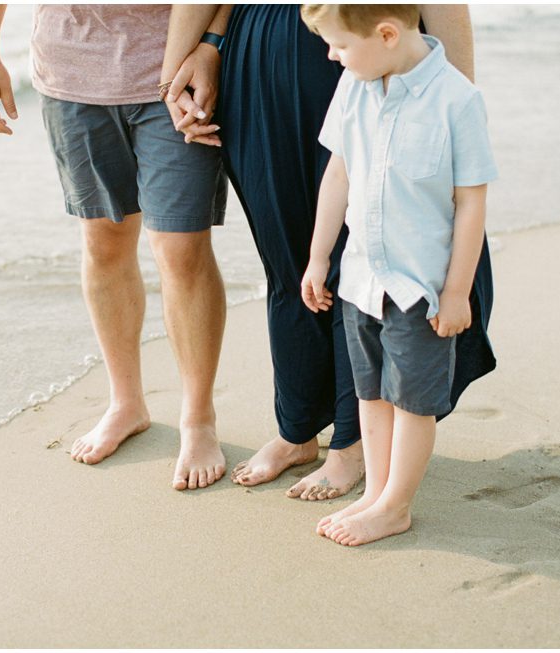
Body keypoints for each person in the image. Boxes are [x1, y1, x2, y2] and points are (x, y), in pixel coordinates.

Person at [162, 5, 495, 501]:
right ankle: (296, 428)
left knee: (365, 258)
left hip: (369, 42)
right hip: (261, 53)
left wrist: (450, 103)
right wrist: (189, 63)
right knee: (290, 263)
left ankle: (350, 444)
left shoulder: (429, 86)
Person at [0, 5, 229, 490]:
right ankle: (126, 402)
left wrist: (212, 43)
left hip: (175, 70)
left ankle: (198, 417)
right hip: (71, 77)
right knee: (104, 242)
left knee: (181, 247)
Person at [297, 4, 497, 545]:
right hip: (361, 278)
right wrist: (319, 258)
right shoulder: (355, 87)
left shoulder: (457, 100)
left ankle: (396, 506)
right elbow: (337, 175)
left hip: (419, 288)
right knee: (371, 392)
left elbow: (471, 202)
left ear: (386, 34)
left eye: (338, 44)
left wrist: (457, 292)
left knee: (412, 400)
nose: (332, 55)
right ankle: (375, 492)